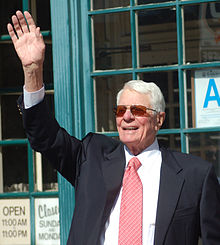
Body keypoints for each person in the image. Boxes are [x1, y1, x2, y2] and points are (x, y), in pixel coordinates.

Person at [8, 11, 220, 245]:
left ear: (159, 120)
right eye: (121, 111)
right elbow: (44, 137)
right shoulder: (92, 157)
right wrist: (32, 70)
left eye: (137, 110)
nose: (127, 117)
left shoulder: (195, 175)